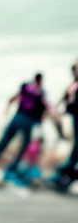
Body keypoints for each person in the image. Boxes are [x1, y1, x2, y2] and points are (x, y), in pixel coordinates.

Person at [0, 73, 49, 179]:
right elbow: (44, 109)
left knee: (3, 142)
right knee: (23, 147)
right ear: (41, 80)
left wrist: (7, 108)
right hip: (28, 122)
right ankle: (12, 170)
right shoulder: (41, 93)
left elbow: (15, 97)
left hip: (17, 118)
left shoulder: (26, 86)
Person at [52, 61, 78, 189]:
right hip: (74, 117)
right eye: (73, 70)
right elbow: (65, 97)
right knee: (76, 147)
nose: (74, 72)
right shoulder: (73, 85)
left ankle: (68, 173)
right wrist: (56, 109)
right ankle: (67, 173)